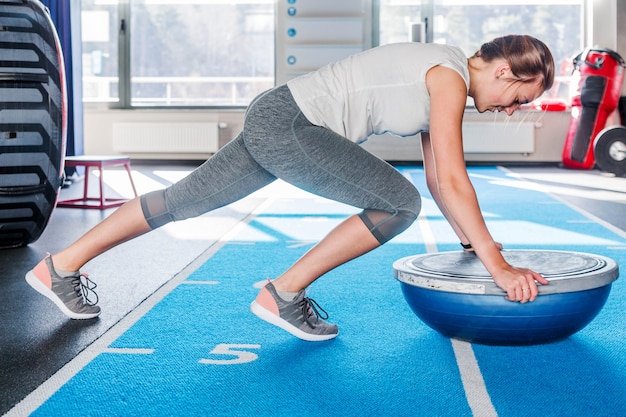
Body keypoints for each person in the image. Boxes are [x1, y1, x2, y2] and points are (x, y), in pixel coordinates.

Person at [26, 34, 554, 342]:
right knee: (398, 203)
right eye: (518, 99)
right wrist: (497, 266)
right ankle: (282, 294)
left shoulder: (443, 66)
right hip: (292, 125)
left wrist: (469, 242)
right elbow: (455, 178)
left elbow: (441, 175)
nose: (510, 110)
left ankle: (59, 266)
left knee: (181, 201)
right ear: (506, 71)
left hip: (277, 114)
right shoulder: (449, 77)